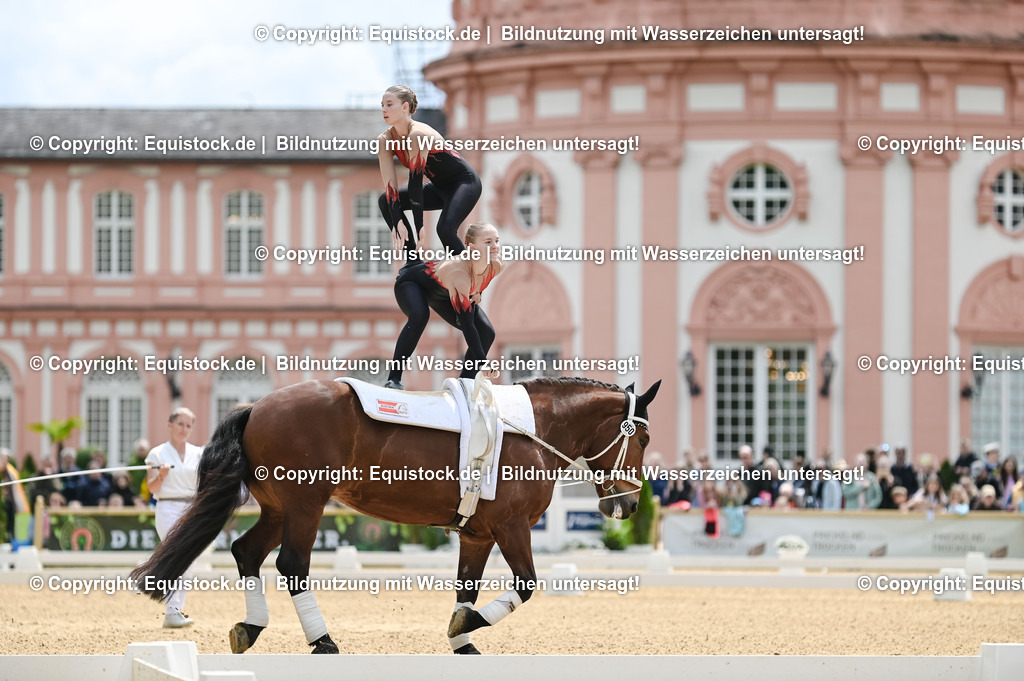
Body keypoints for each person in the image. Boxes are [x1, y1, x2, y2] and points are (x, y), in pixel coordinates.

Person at [384, 222, 504, 390]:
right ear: (471, 247)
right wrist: (483, 362)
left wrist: (478, 293)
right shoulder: (459, 272)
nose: (495, 247)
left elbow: (479, 282)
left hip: (443, 294)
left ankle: (464, 386)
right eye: (488, 242)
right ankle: (394, 379)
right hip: (412, 283)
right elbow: (467, 324)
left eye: (496, 241)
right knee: (420, 315)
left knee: (487, 331)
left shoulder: (497, 265)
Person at [377, 85, 482, 262]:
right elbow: (391, 188)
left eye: (389, 104)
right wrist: (397, 220)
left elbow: (415, 183)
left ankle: (470, 282)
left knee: (445, 229)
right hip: (439, 187)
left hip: (464, 183)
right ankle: (413, 263)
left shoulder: (417, 134)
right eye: (382, 105)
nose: (384, 110)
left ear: (405, 107)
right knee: (384, 201)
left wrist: (420, 228)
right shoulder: (385, 140)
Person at [145, 407, 203, 628]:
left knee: (188, 559)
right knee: (180, 556)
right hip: (167, 507)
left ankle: (174, 609)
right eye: (180, 424)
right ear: (170, 425)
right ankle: (173, 610)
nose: (184, 429)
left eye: (188, 426)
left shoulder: (198, 454)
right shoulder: (156, 454)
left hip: (190, 508)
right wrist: (161, 474)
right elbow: (153, 488)